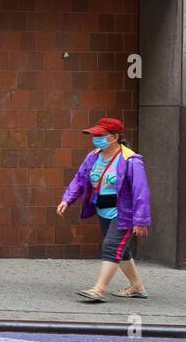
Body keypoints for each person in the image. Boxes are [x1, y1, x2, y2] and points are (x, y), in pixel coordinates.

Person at [57, 117, 151, 302]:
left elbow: (141, 191)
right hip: (103, 209)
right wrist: (67, 199)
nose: (95, 138)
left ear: (114, 137)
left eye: (100, 135)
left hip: (123, 213)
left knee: (111, 246)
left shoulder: (130, 160)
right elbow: (80, 179)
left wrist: (140, 221)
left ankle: (99, 289)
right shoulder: (93, 156)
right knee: (121, 250)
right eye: (95, 135)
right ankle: (137, 287)